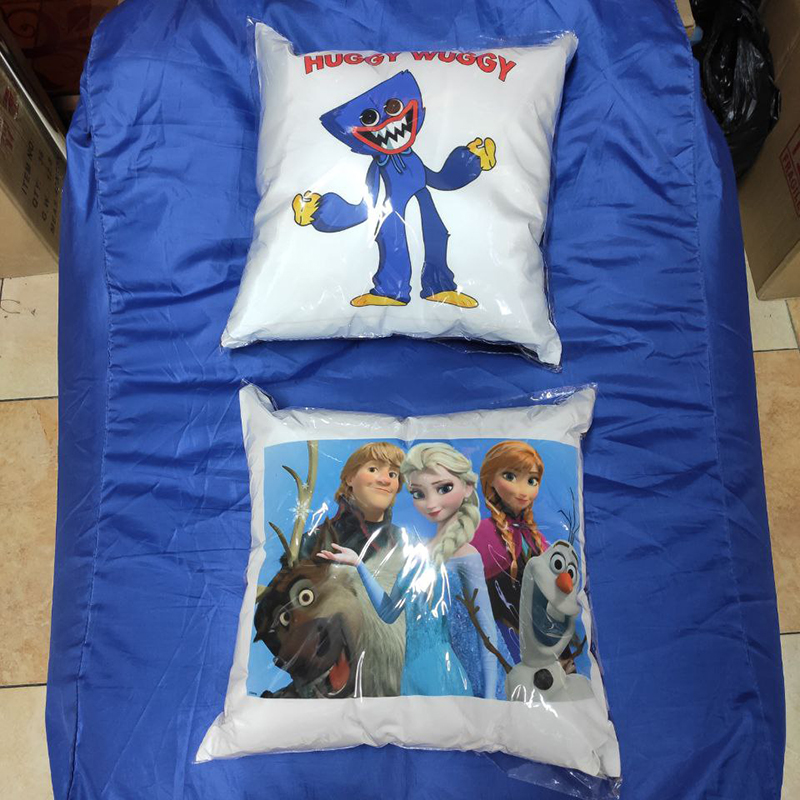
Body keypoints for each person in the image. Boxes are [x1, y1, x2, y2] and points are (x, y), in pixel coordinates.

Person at [319, 443, 499, 699]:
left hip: (442, 674)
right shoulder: (415, 551)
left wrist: (490, 699)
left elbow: (486, 632)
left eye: (444, 488)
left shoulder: (466, 556)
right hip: (410, 675)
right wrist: (359, 564)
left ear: (468, 488)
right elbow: (389, 612)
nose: (431, 503)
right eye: (418, 493)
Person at [472, 441, 548, 661]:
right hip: (501, 641)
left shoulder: (536, 537)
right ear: (490, 480)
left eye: (532, 481)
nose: (523, 491)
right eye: (510, 477)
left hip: (542, 639)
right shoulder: (481, 534)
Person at [298, 441, 404, 562]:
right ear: (350, 478)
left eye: (392, 474)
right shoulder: (313, 542)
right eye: (373, 469)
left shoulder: (403, 541)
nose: (385, 480)